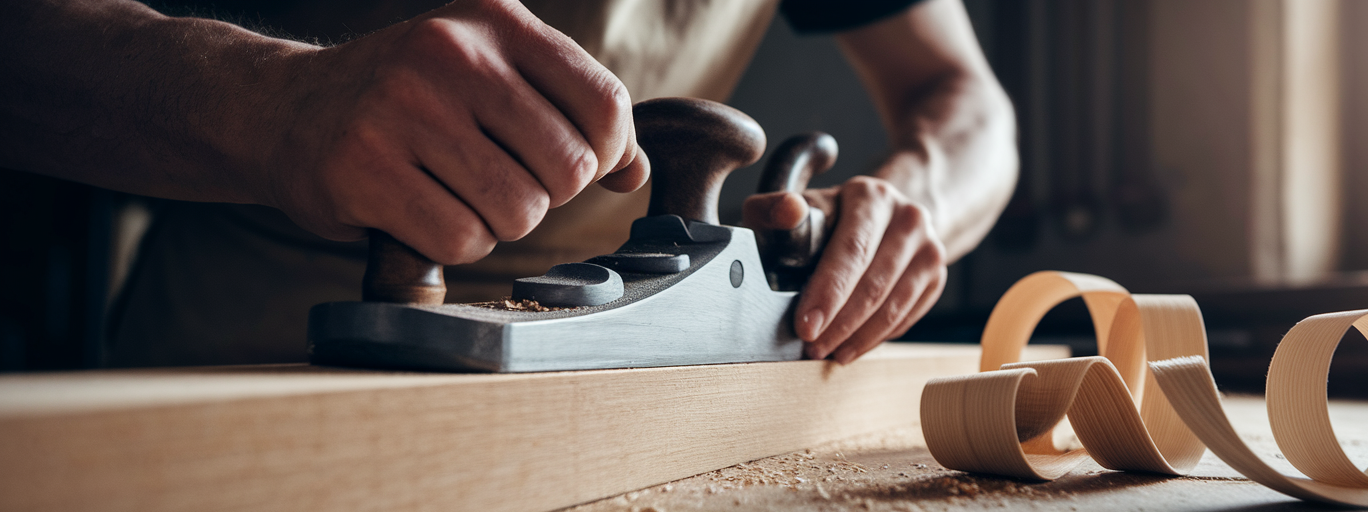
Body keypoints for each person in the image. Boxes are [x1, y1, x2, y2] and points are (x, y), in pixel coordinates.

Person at [0, 0, 1017, 367]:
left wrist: (914, 199)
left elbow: (961, 93)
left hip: (631, 385)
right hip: (257, 358)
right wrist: (273, 104)